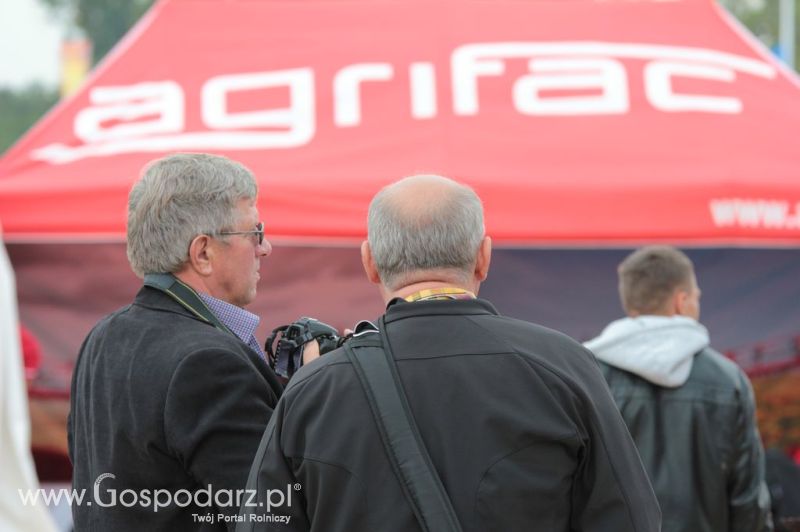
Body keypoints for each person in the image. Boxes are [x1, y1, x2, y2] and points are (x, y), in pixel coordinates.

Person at [238, 174, 661, 532]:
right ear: (483, 258)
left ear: (370, 263)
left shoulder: (316, 388)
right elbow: (629, 516)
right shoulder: (563, 364)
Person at [68, 153, 285, 531]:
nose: (264, 248)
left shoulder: (102, 336)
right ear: (202, 253)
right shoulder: (209, 362)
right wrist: (315, 396)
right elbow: (272, 517)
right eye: (255, 232)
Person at [584, 246, 773, 532]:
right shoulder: (729, 380)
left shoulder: (586, 372)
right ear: (681, 301)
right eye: (696, 296)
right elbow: (747, 499)